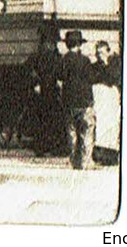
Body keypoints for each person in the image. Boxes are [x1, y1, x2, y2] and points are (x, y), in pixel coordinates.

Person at [56, 29, 96, 170]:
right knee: (86, 131)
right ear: (79, 44)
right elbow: (91, 78)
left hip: (69, 101)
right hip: (84, 101)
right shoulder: (85, 60)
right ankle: (86, 161)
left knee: (72, 132)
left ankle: (74, 160)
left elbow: (60, 77)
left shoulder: (64, 60)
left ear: (68, 45)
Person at [25, 23, 66, 157]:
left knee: (46, 119)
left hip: (47, 91)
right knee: (48, 119)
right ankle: (48, 146)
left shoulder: (41, 57)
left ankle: (44, 146)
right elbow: (31, 72)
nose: (50, 45)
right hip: (47, 91)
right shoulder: (51, 57)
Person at [92, 41, 121, 166]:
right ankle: (100, 155)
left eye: (102, 53)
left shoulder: (114, 65)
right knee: (101, 126)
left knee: (112, 126)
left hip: (111, 99)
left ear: (108, 52)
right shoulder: (95, 67)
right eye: (97, 53)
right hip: (100, 99)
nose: (100, 56)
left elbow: (115, 79)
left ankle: (112, 156)